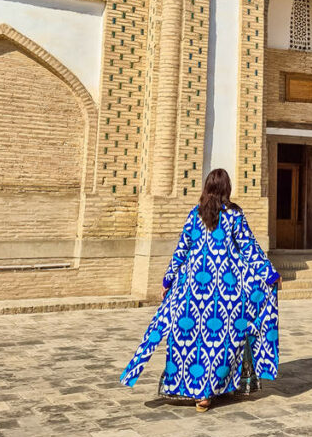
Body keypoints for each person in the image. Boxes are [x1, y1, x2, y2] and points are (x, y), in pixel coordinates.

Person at [120, 168, 280, 410]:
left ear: (206, 187)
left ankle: (193, 389)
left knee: (192, 341)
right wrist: (270, 274)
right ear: (227, 189)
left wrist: (168, 281)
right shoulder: (234, 215)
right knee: (221, 341)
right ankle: (210, 390)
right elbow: (249, 248)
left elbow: (181, 251)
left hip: (192, 289)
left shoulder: (195, 215)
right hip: (227, 291)